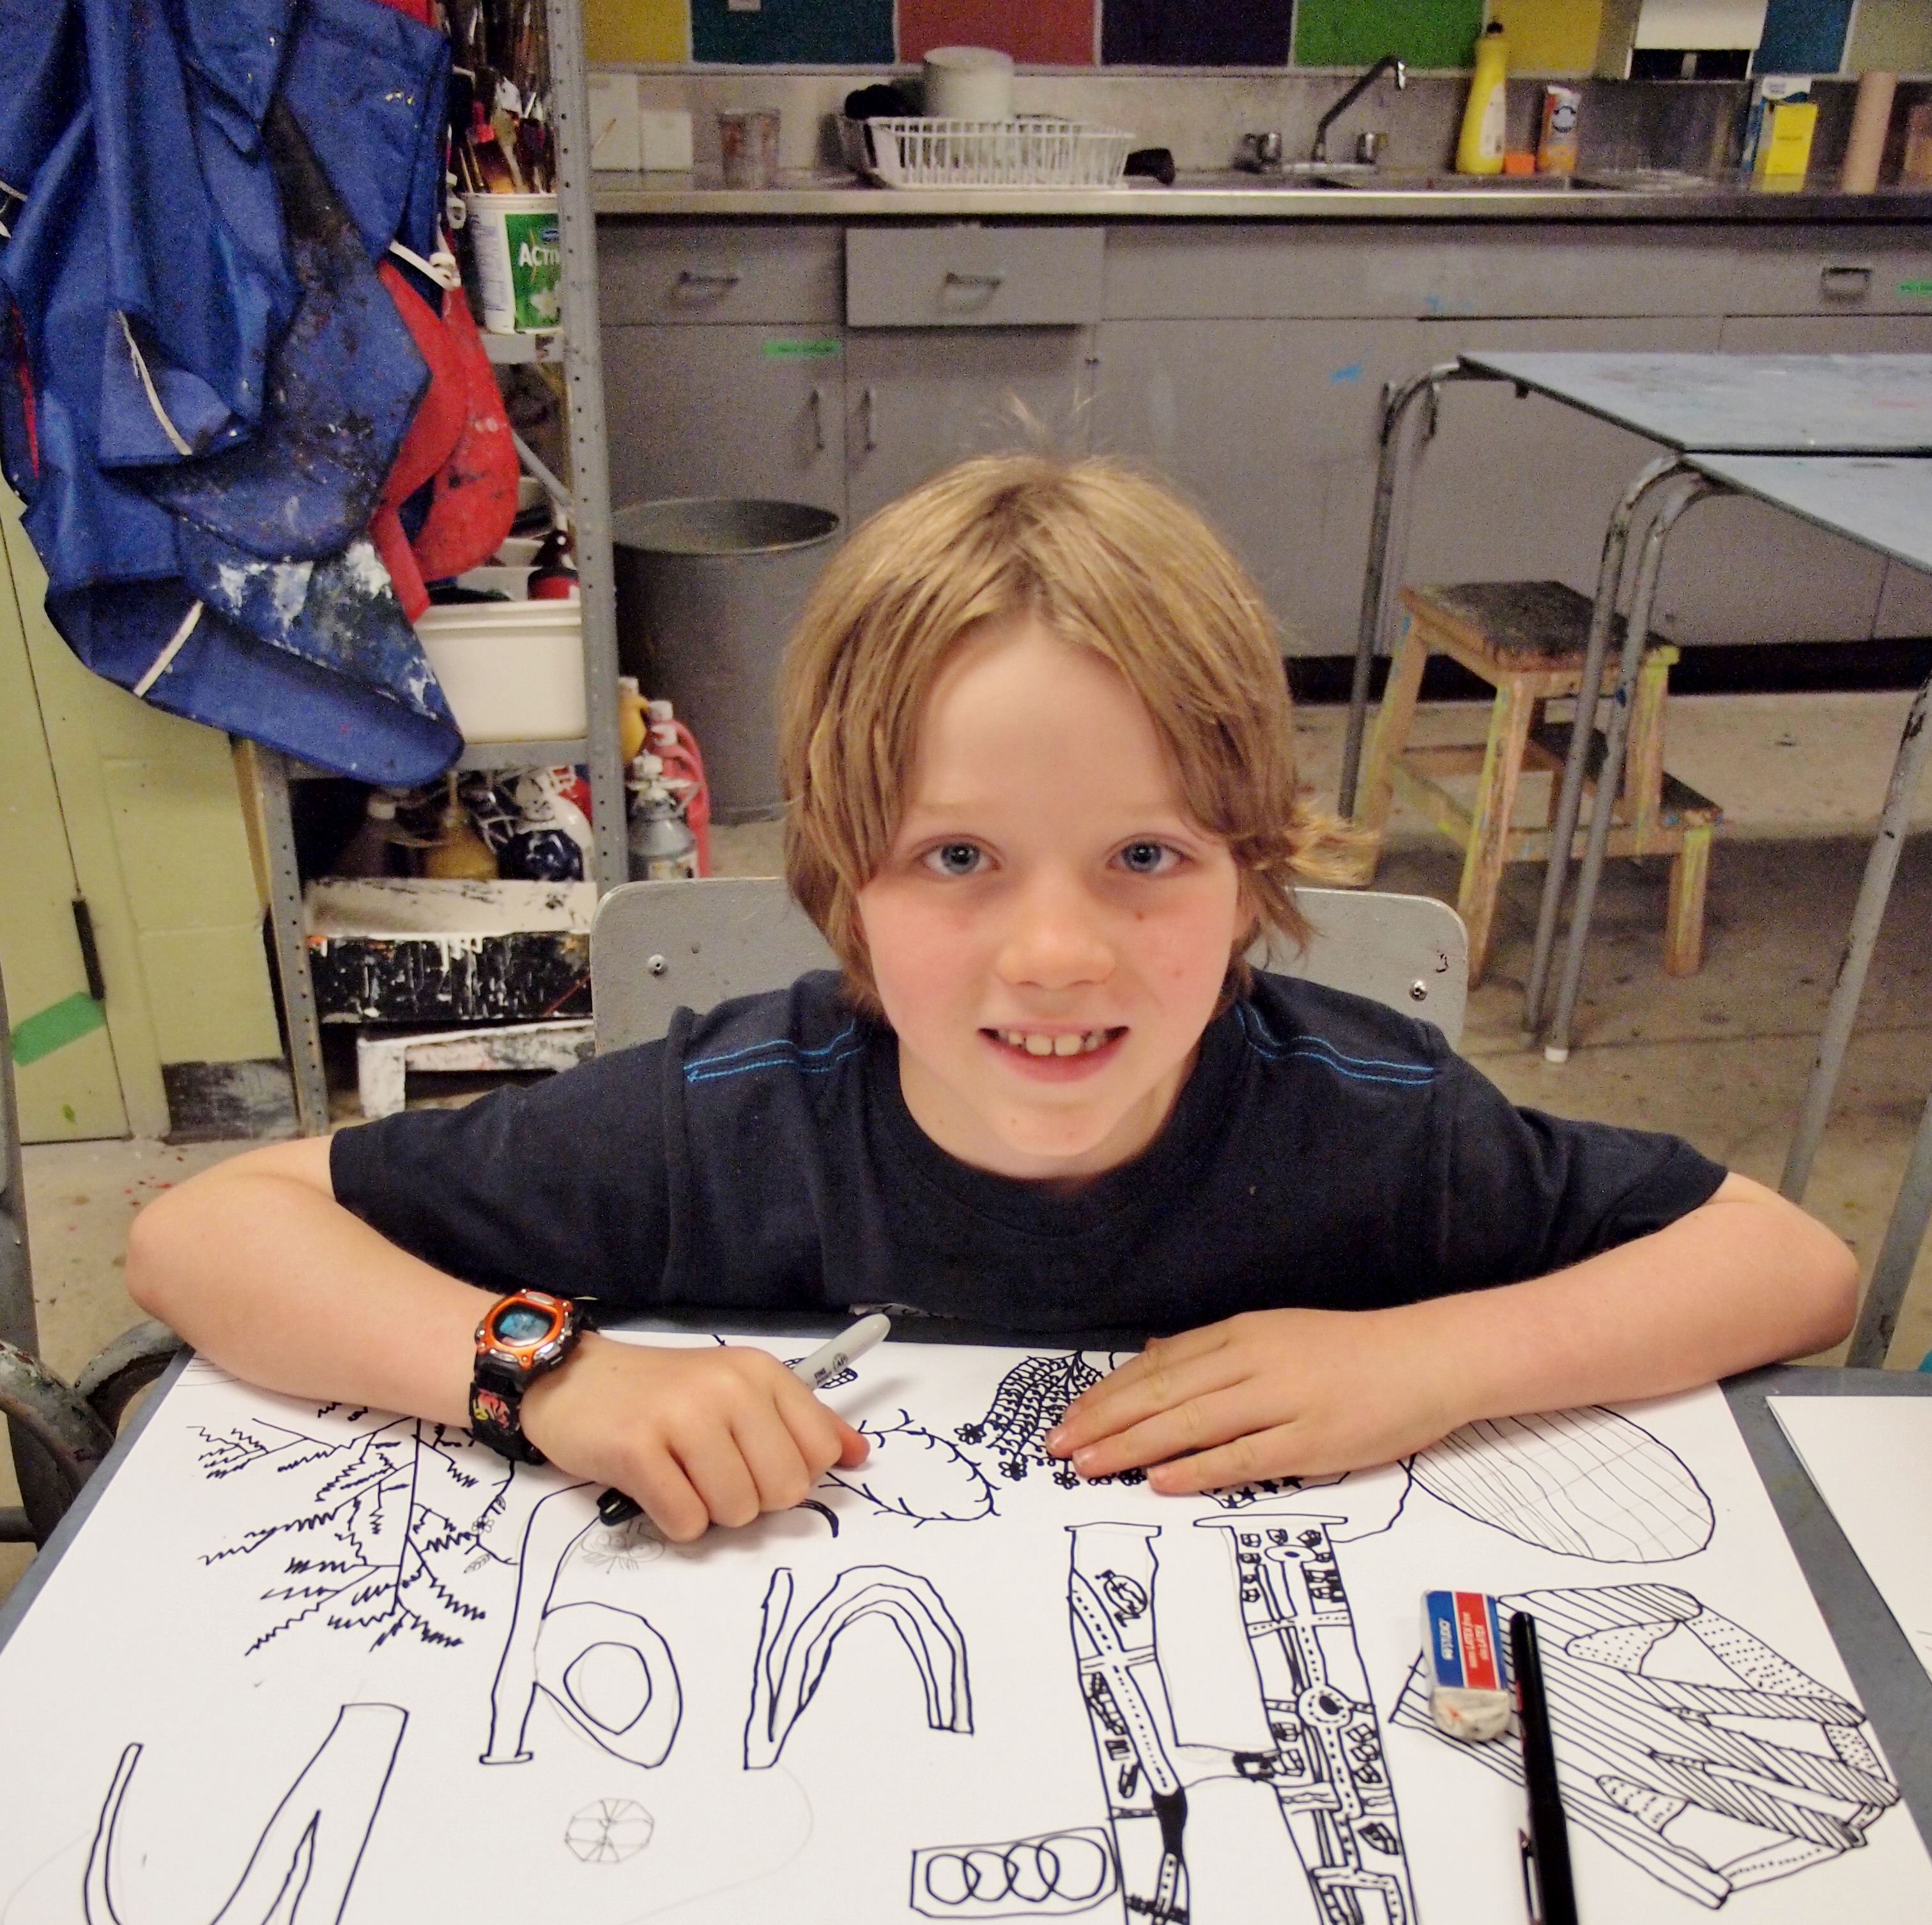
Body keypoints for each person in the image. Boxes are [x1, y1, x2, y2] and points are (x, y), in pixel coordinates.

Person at [128, 453, 1856, 1540]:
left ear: (1255, 866)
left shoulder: (1375, 1124)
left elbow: (1795, 1266)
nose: (1054, 955)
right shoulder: (709, 1127)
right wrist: (554, 1379)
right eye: (959, 858)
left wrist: (1443, 1358)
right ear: (847, 883)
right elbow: (206, 1238)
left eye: (1147, 859)